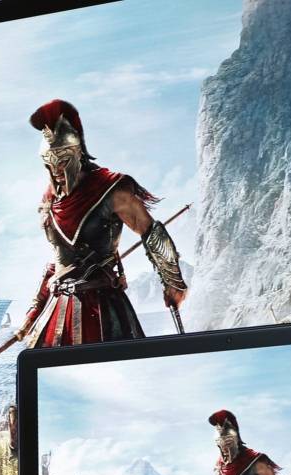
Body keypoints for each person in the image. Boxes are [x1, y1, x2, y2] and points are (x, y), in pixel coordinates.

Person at [16, 99, 188, 346]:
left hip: (103, 308)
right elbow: (58, 263)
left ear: (76, 154)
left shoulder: (109, 190)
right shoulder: (49, 201)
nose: (55, 171)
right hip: (58, 308)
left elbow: (150, 232)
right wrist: (33, 312)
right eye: (49, 164)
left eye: (61, 162)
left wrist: (172, 281)